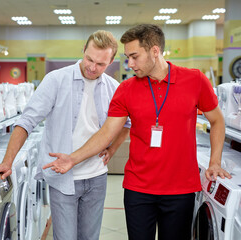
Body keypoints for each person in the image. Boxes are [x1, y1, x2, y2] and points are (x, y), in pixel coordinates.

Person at [43, 24, 232, 240]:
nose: (129, 63)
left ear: (154, 51)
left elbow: (217, 121)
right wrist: (72, 159)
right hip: (138, 189)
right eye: (127, 57)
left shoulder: (195, 80)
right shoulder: (126, 89)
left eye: (134, 56)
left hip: (181, 189)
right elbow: (106, 133)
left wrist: (215, 162)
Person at [0, 30, 131, 240]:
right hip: (63, 178)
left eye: (101, 64)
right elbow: (26, 121)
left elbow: (127, 123)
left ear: (111, 62)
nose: (92, 67)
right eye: (89, 59)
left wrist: (112, 149)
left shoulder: (113, 87)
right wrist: (8, 161)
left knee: (90, 237)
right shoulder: (56, 80)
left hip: (97, 177)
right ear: (83, 51)